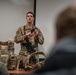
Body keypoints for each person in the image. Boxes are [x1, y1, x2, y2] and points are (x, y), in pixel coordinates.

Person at [32, 4, 76, 75]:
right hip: (25, 56)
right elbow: (17, 40)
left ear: (56, 38)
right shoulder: (21, 30)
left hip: (35, 57)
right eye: (28, 16)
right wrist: (24, 36)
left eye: (31, 16)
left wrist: (37, 36)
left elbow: (41, 41)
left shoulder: (37, 30)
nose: (29, 18)